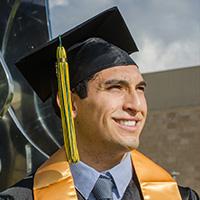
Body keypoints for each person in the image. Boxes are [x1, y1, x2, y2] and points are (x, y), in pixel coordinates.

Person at [0, 7, 199, 200]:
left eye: (140, 88)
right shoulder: (24, 197)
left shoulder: (177, 196)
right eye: (115, 88)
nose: (135, 105)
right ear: (70, 103)